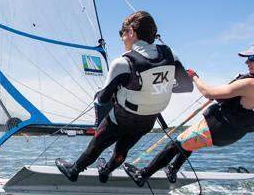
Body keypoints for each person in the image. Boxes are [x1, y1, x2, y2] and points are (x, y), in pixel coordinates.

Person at [123, 40, 254, 186]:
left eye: (252, 58)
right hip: (233, 134)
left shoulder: (252, 84)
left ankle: (142, 175)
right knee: (187, 141)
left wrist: (194, 77)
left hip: (215, 128)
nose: (247, 62)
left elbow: (209, 93)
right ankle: (173, 169)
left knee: (175, 145)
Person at [55, 11, 192, 183]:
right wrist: (155, 89)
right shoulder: (170, 54)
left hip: (123, 117)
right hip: (148, 120)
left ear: (132, 32)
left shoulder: (123, 62)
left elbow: (103, 99)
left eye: (122, 33)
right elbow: (187, 86)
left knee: (98, 144)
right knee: (123, 149)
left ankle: (74, 170)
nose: (121, 38)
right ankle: (105, 171)